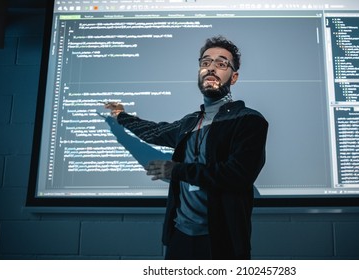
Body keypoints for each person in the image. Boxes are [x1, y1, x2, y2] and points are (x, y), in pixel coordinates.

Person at [104, 36, 268, 259]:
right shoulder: (190, 123)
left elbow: (237, 175)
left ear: (234, 77)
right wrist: (120, 116)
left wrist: (176, 170)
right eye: (205, 62)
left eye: (221, 64)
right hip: (180, 236)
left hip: (221, 241)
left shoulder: (249, 121)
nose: (211, 68)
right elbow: (152, 131)